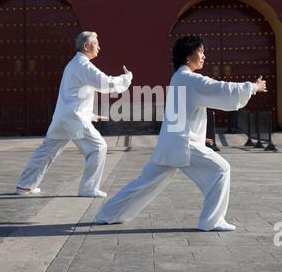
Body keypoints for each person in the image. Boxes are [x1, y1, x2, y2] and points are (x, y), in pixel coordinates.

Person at [95, 35, 267, 230]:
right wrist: (252, 87)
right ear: (187, 56)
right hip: (183, 144)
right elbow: (220, 89)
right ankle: (211, 221)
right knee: (221, 169)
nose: (204, 56)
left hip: (173, 143)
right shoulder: (189, 78)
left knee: (145, 183)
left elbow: (182, 114)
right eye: (200, 51)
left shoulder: (178, 77)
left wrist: (200, 137)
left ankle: (107, 213)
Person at [16, 31, 132, 198]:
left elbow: (75, 95)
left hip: (64, 118)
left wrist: (91, 115)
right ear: (86, 46)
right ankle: (88, 188)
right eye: (96, 43)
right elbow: (106, 83)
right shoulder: (83, 65)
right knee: (98, 147)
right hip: (74, 118)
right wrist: (126, 78)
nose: (99, 47)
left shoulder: (73, 64)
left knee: (47, 151)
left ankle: (24, 186)